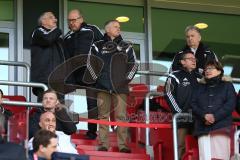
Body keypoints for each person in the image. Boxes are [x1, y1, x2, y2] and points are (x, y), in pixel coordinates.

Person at [87, 20, 138, 153]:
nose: (118, 29)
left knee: (121, 116)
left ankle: (123, 146)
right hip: (102, 87)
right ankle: (103, 144)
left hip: (120, 87)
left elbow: (134, 65)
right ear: (107, 29)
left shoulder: (126, 46)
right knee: (103, 116)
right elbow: (90, 64)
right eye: (116, 26)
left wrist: (124, 80)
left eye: (119, 27)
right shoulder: (97, 45)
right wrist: (97, 80)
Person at [64, 9, 103, 140]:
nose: (71, 23)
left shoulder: (92, 30)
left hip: (89, 73)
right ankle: (67, 127)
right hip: (72, 75)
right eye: (69, 21)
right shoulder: (67, 36)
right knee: (62, 98)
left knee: (92, 104)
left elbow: (104, 47)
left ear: (81, 19)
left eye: (74, 20)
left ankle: (92, 132)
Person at [191, 60, 236, 160]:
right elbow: (193, 104)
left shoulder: (227, 85)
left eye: (211, 68)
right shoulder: (199, 87)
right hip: (202, 128)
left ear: (219, 71)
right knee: (205, 157)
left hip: (222, 128)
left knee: (222, 157)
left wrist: (214, 117)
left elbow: (230, 104)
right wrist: (204, 116)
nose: (207, 71)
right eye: (206, 69)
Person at [164, 50, 201, 158]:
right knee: (181, 145)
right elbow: (168, 93)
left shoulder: (199, 77)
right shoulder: (174, 76)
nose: (194, 61)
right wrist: (179, 112)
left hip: (198, 117)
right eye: (190, 59)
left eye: (195, 59)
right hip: (182, 117)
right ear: (183, 62)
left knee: (199, 145)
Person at [30, 11, 66, 102]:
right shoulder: (38, 31)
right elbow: (47, 39)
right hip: (45, 79)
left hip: (59, 80)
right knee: (44, 109)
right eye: (51, 17)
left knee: (59, 109)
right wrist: (58, 30)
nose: (55, 19)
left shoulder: (57, 38)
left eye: (55, 17)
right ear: (43, 21)